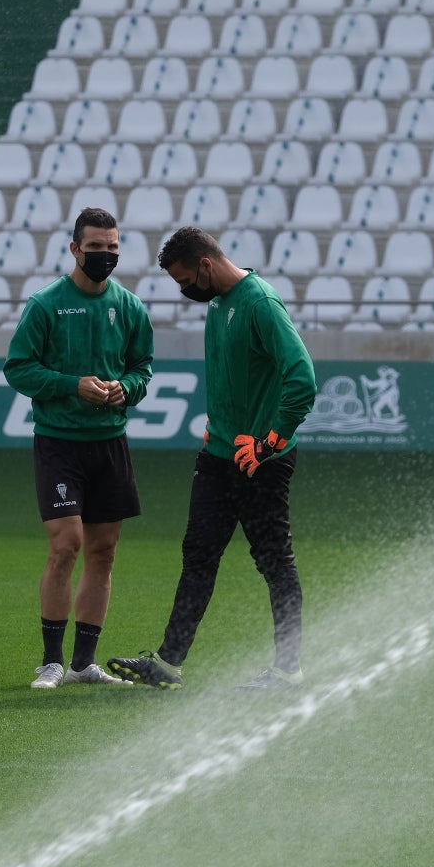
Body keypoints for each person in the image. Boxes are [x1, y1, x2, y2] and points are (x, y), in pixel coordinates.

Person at [107, 226, 317, 691]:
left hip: (260, 462)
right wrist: (219, 423)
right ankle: (167, 664)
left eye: (186, 281)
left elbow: (302, 379)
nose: (185, 292)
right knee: (198, 556)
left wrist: (268, 441)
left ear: (205, 264)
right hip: (218, 456)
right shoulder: (220, 304)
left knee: (275, 562)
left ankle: (288, 670)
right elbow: (236, 377)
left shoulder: (260, 302)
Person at [3, 207, 155, 689]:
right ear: (74, 249)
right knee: (65, 545)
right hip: (59, 443)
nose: (105, 256)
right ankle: (51, 660)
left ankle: (83, 664)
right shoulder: (46, 304)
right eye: (95, 248)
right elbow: (18, 368)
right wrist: (73, 385)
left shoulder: (131, 307)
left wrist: (126, 388)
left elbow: (143, 368)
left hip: (110, 443)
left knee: (104, 551)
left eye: (112, 248)